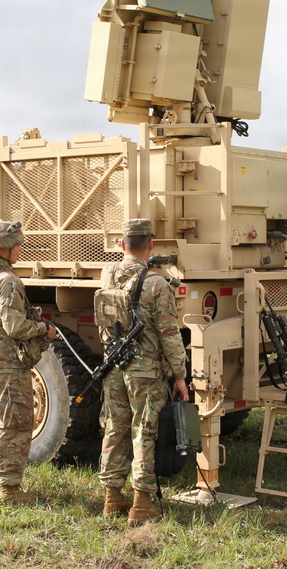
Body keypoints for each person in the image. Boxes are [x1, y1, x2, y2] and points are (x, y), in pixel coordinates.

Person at [97, 219, 188, 526]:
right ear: (151, 244)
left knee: (115, 428)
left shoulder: (107, 274)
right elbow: (169, 334)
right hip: (144, 372)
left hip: (114, 366)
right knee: (143, 431)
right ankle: (142, 503)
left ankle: (112, 498)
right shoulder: (157, 284)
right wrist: (180, 375)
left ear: (123, 244)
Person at [0, 220, 57, 503]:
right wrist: (44, 329)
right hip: (5, 356)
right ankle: (9, 489)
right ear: (5, 248)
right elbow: (15, 326)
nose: (20, 249)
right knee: (14, 419)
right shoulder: (8, 281)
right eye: (17, 245)